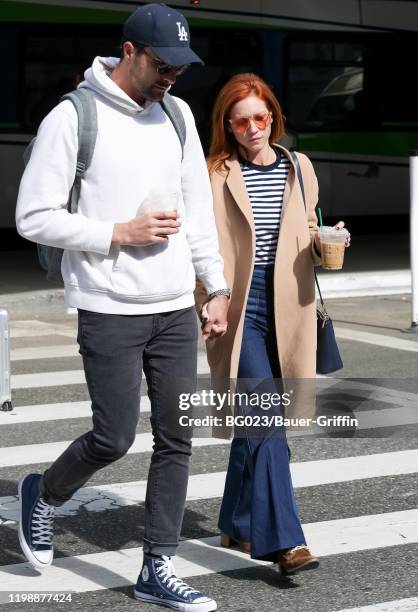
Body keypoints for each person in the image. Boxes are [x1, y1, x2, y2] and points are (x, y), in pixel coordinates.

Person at [15, 4, 229, 611]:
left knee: (176, 438)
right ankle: (44, 492)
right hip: (108, 303)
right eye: (162, 66)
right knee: (112, 436)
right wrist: (120, 233)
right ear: (129, 51)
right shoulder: (72, 117)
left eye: (180, 69)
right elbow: (33, 216)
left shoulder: (179, 116)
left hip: (171, 306)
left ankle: (155, 567)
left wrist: (211, 286)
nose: (171, 79)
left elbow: (196, 211)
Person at [196, 73, 350, 575]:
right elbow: (201, 244)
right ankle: (286, 542)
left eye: (260, 118)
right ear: (227, 125)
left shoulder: (298, 167)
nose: (252, 129)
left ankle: (237, 521)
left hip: (291, 307)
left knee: (258, 422)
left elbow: (305, 230)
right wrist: (208, 299)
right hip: (241, 307)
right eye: (240, 121)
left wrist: (329, 237)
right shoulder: (213, 172)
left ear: (273, 117)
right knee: (267, 423)